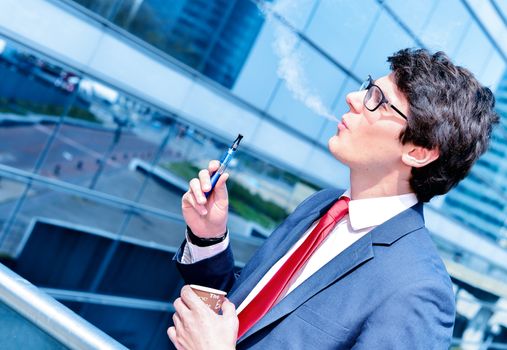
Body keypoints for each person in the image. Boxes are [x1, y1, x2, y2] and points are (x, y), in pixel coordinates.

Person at [167, 48, 499, 349]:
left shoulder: (417, 291)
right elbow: (246, 318)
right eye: (369, 87)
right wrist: (208, 236)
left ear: (418, 151)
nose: (354, 99)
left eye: (379, 101)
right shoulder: (321, 206)